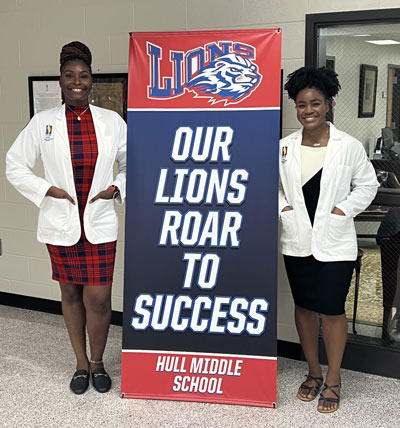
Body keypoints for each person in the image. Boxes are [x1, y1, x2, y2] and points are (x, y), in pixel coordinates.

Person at [6, 41, 127, 395]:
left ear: (92, 81)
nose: (77, 81)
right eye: (69, 75)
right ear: (60, 80)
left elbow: (133, 162)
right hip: (61, 223)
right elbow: (15, 164)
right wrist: (47, 191)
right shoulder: (43, 123)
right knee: (71, 295)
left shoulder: (111, 122)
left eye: (84, 75)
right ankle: (79, 364)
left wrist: (116, 187)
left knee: (100, 299)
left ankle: (98, 362)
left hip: (100, 221)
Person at [279, 67, 378, 413]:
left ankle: (333, 378)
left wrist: (342, 210)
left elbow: (368, 185)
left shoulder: (347, 146)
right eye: (302, 105)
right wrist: (284, 207)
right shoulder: (284, 148)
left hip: (335, 243)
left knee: (332, 309)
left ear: (329, 104)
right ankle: (313, 372)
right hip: (297, 240)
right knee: (304, 306)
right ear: (296, 106)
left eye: (315, 103)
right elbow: (271, 185)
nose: (309, 111)